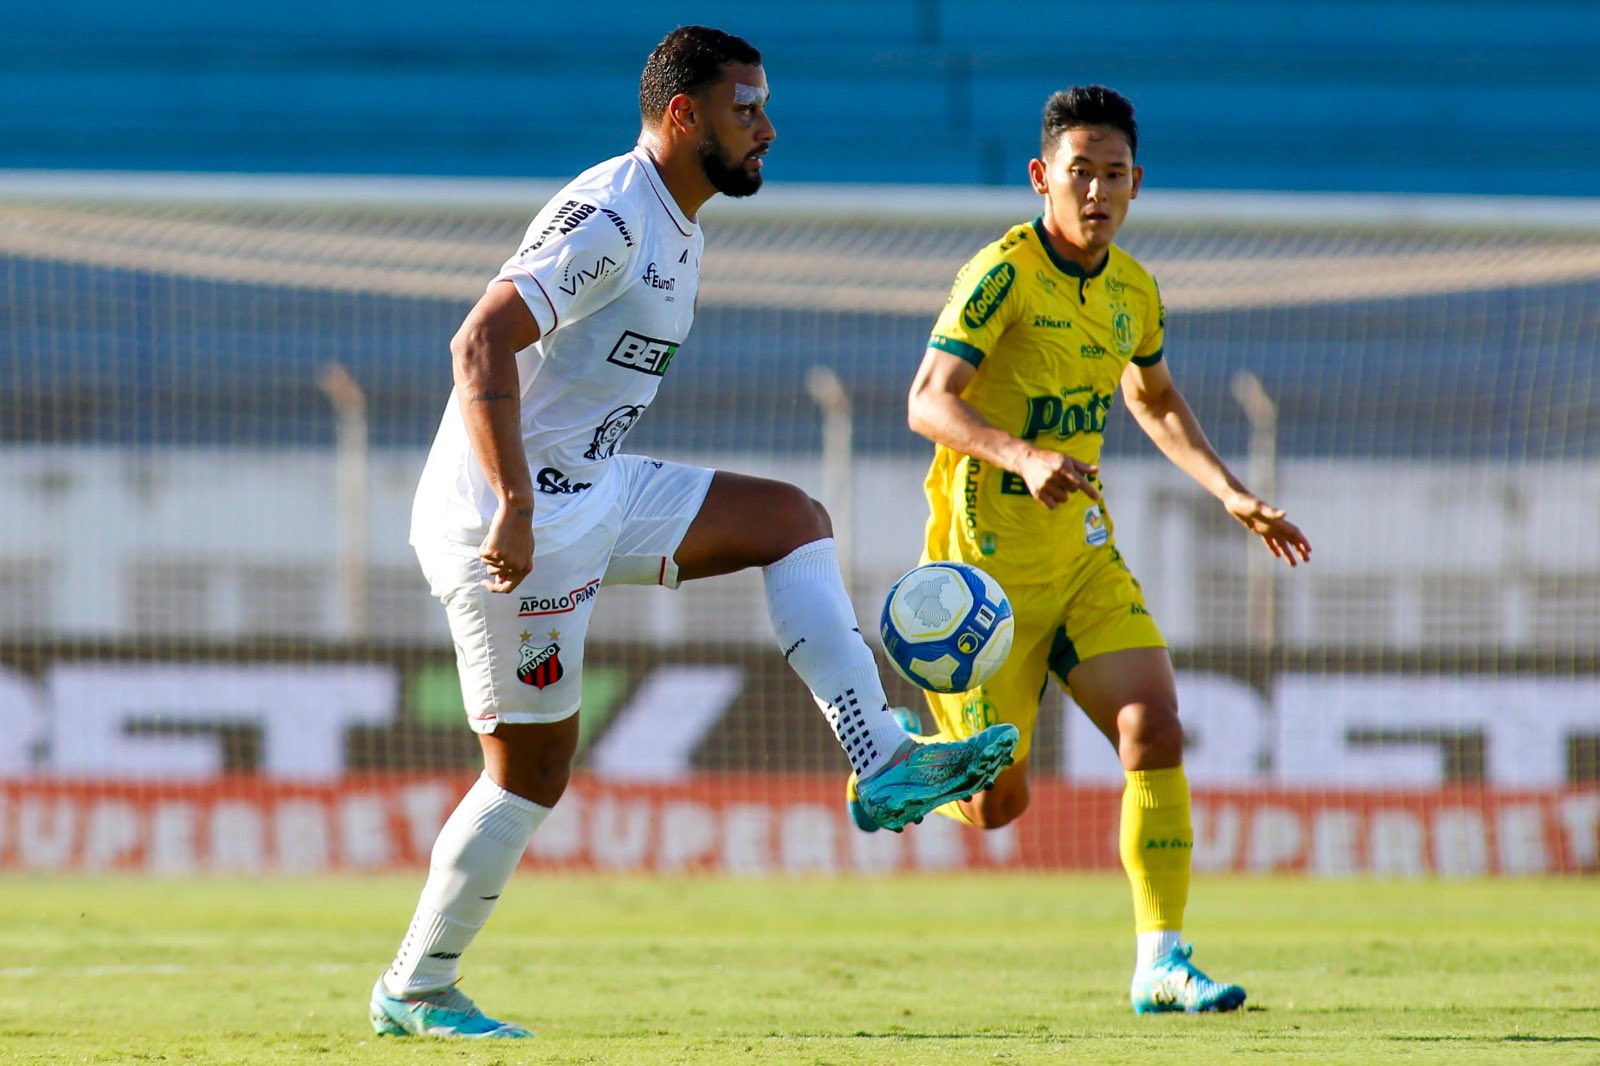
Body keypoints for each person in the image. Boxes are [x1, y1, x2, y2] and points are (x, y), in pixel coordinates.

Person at [369, 26, 1019, 1040]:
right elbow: (479, 339)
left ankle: (880, 755)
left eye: (763, 106)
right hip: (508, 524)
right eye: (744, 109)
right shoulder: (614, 219)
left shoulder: (679, 221)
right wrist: (513, 504)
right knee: (530, 775)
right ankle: (413, 987)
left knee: (788, 520)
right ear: (683, 115)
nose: (767, 128)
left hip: (589, 491)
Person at [846, 85, 1312, 1013]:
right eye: (1078, 173)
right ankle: (906, 763)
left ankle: (1162, 962)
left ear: (1137, 183)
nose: (1095, 191)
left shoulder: (1136, 289)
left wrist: (1230, 492)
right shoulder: (1001, 273)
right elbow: (925, 400)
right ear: (1040, 177)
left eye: (1112, 175)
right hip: (987, 578)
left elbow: (1156, 397)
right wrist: (1020, 456)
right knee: (996, 807)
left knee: (1155, 728)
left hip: (1086, 554)